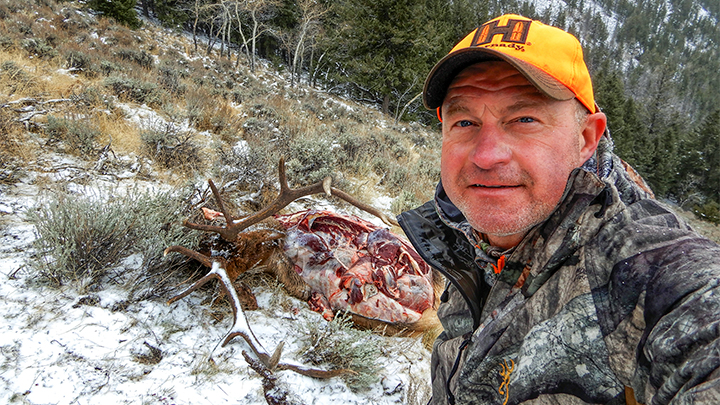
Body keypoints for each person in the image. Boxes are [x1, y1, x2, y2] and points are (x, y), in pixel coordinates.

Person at [397, 14, 720, 405]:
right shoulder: (465, 234)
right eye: (465, 121)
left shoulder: (649, 267)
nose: (485, 156)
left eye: (524, 119)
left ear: (586, 138)